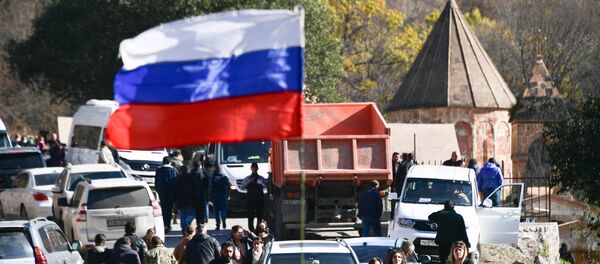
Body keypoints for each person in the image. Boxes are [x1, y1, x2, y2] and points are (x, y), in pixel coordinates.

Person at [240, 163, 268, 231]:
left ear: (257, 169)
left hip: (259, 199)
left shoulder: (261, 178)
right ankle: (251, 229)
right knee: (250, 216)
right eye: (253, 168)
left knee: (260, 216)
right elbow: (242, 187)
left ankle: (258, 229)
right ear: (251, 168)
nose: (254, 169)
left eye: (256, 168)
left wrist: (262, 183)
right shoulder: (248, 178)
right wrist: (250, 181)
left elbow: (267, 186)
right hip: (250, 199)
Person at [155, 156, 178, 232]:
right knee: (169, 208)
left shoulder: (159, 170)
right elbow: (174, 182)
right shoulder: (173, 170)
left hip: (162, 192)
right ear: (170, 162)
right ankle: (168, 225)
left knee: (163, 208)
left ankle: (164, 224)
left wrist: (158, 190)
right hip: (171, 192)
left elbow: (156, 182)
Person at [175, 165, 197, 230]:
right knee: (192, 213)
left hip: (181, 199)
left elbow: (176, 190)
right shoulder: (191, 178)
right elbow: (194, 189)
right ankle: (187, 223)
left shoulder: (178, 178)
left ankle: (183, 226)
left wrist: (175, 200)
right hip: (190, 199)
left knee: (182, 214)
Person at [189, 160, 210, 226]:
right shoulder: (202, 173)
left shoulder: (191, 173)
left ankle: (198, 222)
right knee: (201, 209)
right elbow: (207, 182)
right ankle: (201, 222)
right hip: (201, 193)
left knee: (196, 209)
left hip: (193, 193)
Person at [211, 164, 231, 230]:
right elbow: (229, 186)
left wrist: (210, 195)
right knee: (223, 209)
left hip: (215, 194)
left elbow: (210, 187)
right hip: (223, 194)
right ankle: (224, 220)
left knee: (217, 210)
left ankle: (218, 224)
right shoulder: (224, 177)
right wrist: (228, 194)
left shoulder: (213, 177)